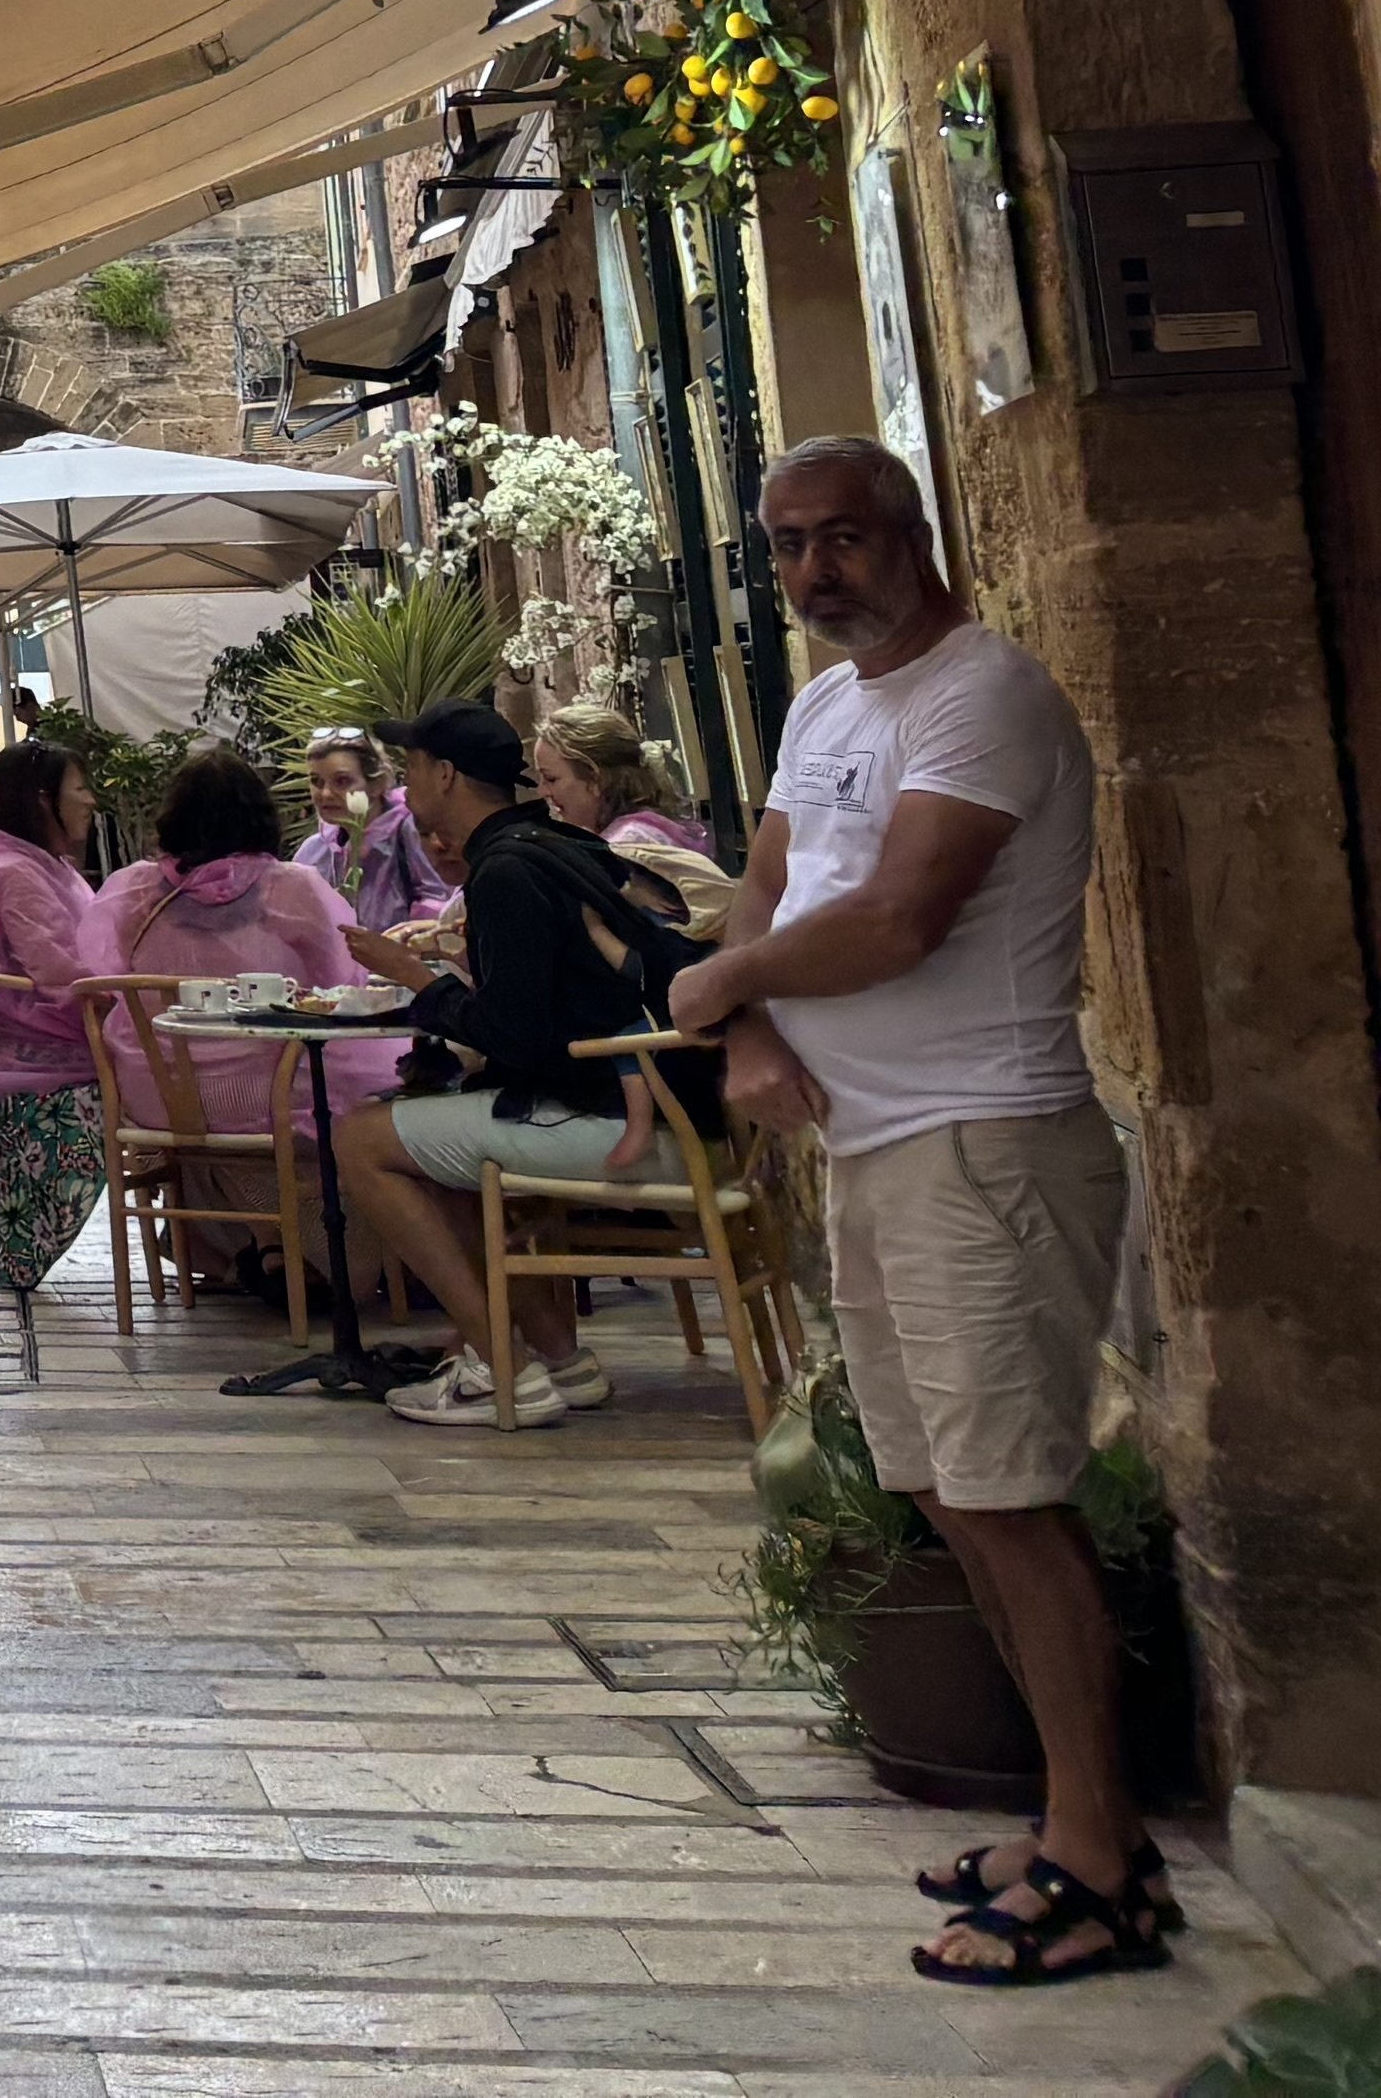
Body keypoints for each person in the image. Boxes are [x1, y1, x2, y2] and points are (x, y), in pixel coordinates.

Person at [668, 438, 1152, 1989]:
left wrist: (729, 984)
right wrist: (745, 1026)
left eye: (847, 540)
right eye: (791, 545)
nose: (818, 573)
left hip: (983, 1144)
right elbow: (774, 884)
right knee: (948, 1493)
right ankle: (1077, 1823)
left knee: (1009, 1493)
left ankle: (1101, 1853)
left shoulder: (980, 695)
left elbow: (900, 915)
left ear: (913, 535)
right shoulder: (825, 705)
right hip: (875, 1147)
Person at [329, 699, 716, 1430]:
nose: (405, 786)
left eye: (412, 768)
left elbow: (515, 1036)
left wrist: (416, 980)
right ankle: (563, 1363)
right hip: (675, 1111)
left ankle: (497, 1369)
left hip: (613, 1121)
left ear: (446, 775)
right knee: (429, 1151)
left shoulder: (504, 871)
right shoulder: (559, 845)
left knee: (361, 1137)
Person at [93, 744, 385, 1282]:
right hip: (263, 1091)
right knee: (371, 1080)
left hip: (156, 1094)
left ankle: (247, 1244)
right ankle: (325, 1252)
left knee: (219, 1108)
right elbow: (344, 985)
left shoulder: (131, 889)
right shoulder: (292, 887)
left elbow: (95, 974)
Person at [0, 738, 108, 1301]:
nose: (91, 800)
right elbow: (63, 971)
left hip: (67, 1043)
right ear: (43, 800)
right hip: (49, 1060)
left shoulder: (42, 867)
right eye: (80, 788)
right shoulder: (17, 875)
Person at [531, 699, 735, 936]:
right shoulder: (647, 827)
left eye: (551, 779)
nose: (542, 791)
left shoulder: (627, 847)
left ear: (596, 780)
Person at [295, 725, 442, 931]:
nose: (326, 793)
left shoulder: (412, 832)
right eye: (316, 781)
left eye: (342, 781)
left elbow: (438, 901)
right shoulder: (312, 852)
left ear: (376, 784)